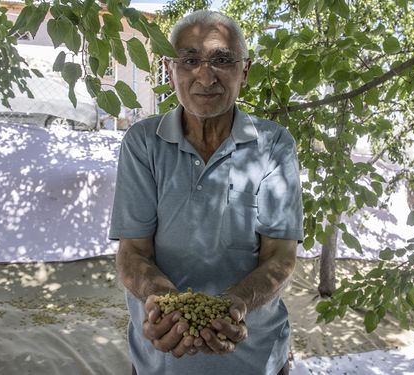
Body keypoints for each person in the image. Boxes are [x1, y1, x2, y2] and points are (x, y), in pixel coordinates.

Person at [109, 9, 303, 375]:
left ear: (244, 71)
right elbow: (133, 252)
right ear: (170, 70)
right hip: (160, 360)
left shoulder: (273, 145)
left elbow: (280, 257)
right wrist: (164, 302)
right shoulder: (143, 144)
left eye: (222, 60)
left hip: (255, 360)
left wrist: (237, 303)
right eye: (190, 60)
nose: (204, 75)